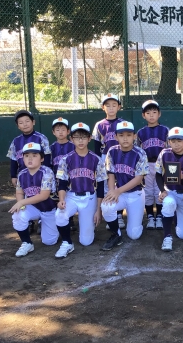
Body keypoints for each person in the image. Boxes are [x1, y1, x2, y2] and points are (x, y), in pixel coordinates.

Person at [54, 123, 107, 258]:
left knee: (86, 241)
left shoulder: (96, 159)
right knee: (60, 214)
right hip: (72, 196)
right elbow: (62, 183)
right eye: (77, 137)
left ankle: (87, 227)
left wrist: (98, 210)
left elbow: (101, 185)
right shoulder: (66, 159)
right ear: (71, 139)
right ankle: (67, 242)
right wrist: (61, 200)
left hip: (90, 197)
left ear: (89, 138)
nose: (80, 140)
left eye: (84, 137)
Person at [101, 121, 149, 251]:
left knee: (134, 235)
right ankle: (116, 234)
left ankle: (137, 220)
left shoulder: (140, 153)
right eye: (121, 135)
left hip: (136, 194)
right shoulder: (112, 151)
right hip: (120, 193)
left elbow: (138, 179)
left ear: (134, 136)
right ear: (116, 137)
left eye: (129, 135)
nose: (125, 138)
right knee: (106, 205)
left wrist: (118, 191)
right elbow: (111, 173)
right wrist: (112, 191)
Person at [9, 142, 58, 257]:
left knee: (49, 242)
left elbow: (44, 196)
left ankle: (52, 223)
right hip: (34, 207)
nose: (30, 159)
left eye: (34, 155)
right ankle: (27, 243)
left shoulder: (47, 172)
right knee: (18, 214)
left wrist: (22, 202)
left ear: (42, 158)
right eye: (26, 156)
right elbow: (19, 192)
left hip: (49, 208)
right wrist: (21, 204)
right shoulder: (22, 173)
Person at [156, 127, 183, 251]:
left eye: (179, 141)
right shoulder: (164, 153)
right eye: (173, 141)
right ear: (169, 142)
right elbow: (158, 174)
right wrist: (162, 190)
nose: (176, 144)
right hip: (170, 192)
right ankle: (167, 236)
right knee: (169, 204)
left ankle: (177, 217)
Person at [92, 93, 126, 228]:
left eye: (114, 105)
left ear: (119, 107)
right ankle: (111, 216)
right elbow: (96, 145)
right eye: (108, 105)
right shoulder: (99, 125)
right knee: (108, 186)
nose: (111, 108)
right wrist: (97, 162)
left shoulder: (122, 123)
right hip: (105, 157)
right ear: (103, 107)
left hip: (121, 156)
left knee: (120, 184)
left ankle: (119, 215)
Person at [136, 100, 169, 230]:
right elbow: (138, 150)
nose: (151, 115)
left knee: (160, 190)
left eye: (154, 112)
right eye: (148, 113)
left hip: (161, 164)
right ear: (143, 115)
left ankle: (159, 216)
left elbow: (169, 149)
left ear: (159, 114)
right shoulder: (140, 132)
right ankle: (150, 216)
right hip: (147, 164)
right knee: (148, 191)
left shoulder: (165, 130)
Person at [7, 109, 51, 187]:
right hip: (23, 174)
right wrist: (13, 176)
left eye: (27, 121)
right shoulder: (16, 141)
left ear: (33, 122)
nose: (25, 124)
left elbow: (47, 156)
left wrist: (46, 173)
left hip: (39, 173)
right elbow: (13, 159)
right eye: (21, 123)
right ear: (18, 126)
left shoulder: (41, 138)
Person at [50, 117, 76, 231]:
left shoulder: (73, 146)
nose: (60, 132)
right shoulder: (51, 148)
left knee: (69, 197)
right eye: (57, 129)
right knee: (57, 198)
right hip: (56, 177)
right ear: (53, 132)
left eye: (63, 129)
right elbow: (49, 164)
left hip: (71, 177)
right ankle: (58, 220)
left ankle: (70, 219)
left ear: (68, 131)